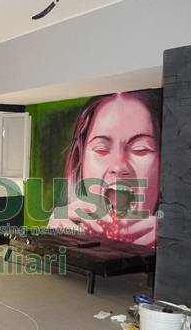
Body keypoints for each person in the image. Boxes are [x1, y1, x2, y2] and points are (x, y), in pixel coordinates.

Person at [48, 90, 161, 246]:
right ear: (81, 160)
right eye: (101, 149)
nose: (119, 166)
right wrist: (49, 244)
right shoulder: (67, 230)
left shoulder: (183, 240)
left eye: (140, 149)